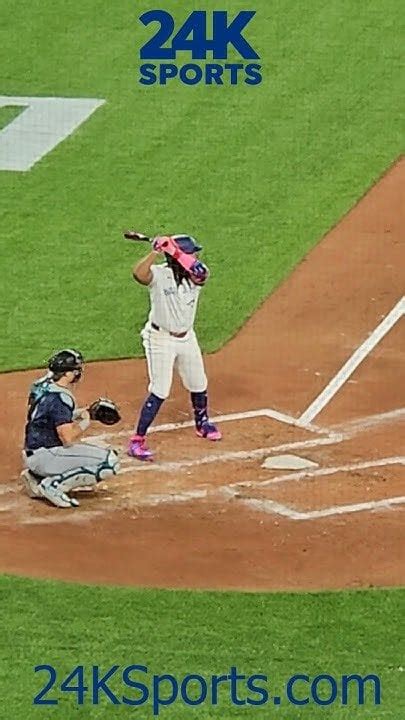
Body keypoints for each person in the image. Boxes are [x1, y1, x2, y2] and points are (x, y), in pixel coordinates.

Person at [127, 234, 221, 461]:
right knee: (160, 389)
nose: (196, 256)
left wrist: (175, 251)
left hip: (186, 337)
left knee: (199, 383)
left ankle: (202, 424)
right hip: (160, 338)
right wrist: (155, 252)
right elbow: (138, 274)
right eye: (193, 252)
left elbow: (200, 272)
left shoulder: (196, 275)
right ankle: (137, 440)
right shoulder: (160, 274)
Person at [21, 349, 120, 508]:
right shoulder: (61, 398)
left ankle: (36, 477)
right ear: (66, 374)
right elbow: (67, 438)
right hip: (47, 455)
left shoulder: (41, 386)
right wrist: (85, 422)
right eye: (75, 370)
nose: (78, 373)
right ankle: (54, 486)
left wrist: (82, 413)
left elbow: (47, 416)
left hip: (33, 452)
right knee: (110, 462)